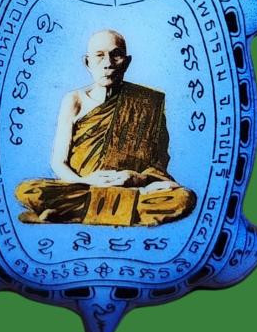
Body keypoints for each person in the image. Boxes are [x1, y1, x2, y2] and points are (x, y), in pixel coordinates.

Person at [15, 29, 196, 226]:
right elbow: (59, 162)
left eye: (116, 55)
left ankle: (72, 213)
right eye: (99, 56)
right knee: (29, 190)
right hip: (82, 185)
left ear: (127, 62)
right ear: (87, 62)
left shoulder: (149, 102)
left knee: (184, 198)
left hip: (131, 187)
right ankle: (119, 210)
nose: (108, 63)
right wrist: (89, 181)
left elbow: (159, 161)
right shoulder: (74, 100)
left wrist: (136, 179)